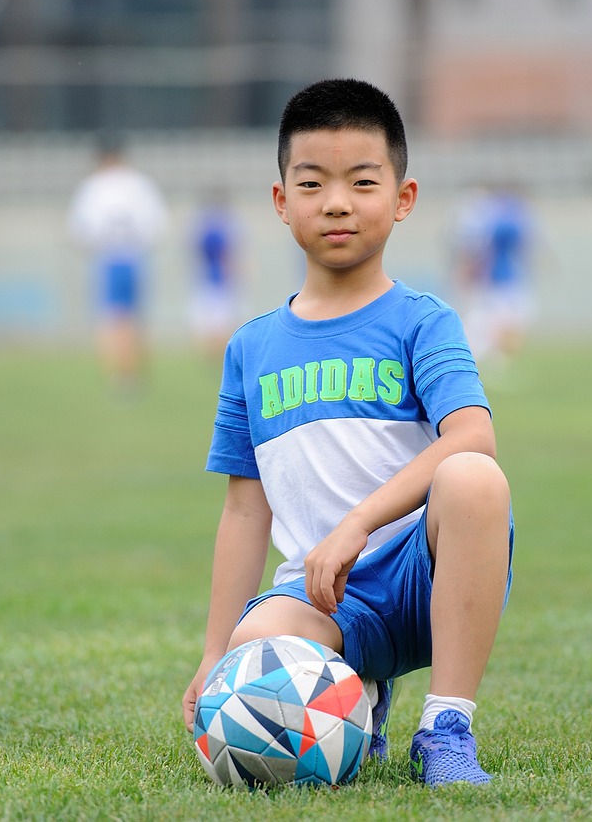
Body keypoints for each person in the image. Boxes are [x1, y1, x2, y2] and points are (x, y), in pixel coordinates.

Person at [181, 79, 514, 787]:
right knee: (253, 647)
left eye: (362, 182)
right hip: (322, 594)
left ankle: (445, 727)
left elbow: (473, 437)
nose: (336, 202)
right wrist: (214, 656)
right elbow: (245, 509)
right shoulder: (251, 347)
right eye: (312, 183)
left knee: (474, 476)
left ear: (403, 198)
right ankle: (357, 706)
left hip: (422, 575)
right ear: (281, 202)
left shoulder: (424, 322)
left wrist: (358, 523)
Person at [68, 132, 168, 392]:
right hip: (135, 257)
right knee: (135, 318)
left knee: (112, 319)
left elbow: (80, 231)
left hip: (108, 258)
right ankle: (135, 371)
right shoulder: (139, 184)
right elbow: (156, 226)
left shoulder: (93, 186)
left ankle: (117, 375)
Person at [453, 182, 538, 374]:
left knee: (500, 321)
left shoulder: (497, 219)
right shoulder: (500, 221)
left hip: (501, 278)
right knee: (495, 322)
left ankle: (494, 361)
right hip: (498, 279)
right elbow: (484, 249)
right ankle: (481, 359)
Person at [187, 189, 244, 361]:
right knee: (220, 320)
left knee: (212, 320)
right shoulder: (223, 226)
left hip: (208, 278)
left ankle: (214, 354)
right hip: (219, 279)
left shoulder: (202, 225)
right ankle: (219, 354)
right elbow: (226, 253)